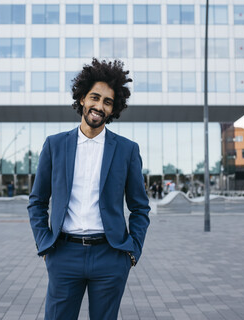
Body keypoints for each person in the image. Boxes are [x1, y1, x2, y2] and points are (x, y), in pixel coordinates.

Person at [28, 58, 150, 320]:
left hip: (110, 256)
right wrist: (44, 243)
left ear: (113, 108)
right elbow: (37, 201)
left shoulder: (128, 150)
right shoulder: (54, 145)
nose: (99, 106)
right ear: (82, 98)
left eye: (107, 102)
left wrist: (132, 251)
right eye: (95, 98)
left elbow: (140, 207)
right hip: (64, 254)